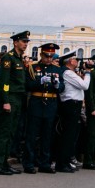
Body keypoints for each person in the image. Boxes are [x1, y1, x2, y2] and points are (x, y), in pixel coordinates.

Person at [0, 31, 31, 175]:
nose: (26, 44)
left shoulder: (19, 59)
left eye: (27, 42)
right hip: (10, 98)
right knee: (4, 133)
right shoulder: (9, 58)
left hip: (18, 99)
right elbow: (4, 82)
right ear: (15, 42)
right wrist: (6, 101)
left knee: (12, 133)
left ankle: (4, 163)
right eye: (23, 41)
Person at [23, 43, 62, 173]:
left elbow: (62, 88)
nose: (49, 58)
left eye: (51, 56)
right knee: (32, 135)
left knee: (47, 136)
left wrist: (57, 86)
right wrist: (39, 82)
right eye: (47, 56)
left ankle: (44, 163)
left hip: (50, 103)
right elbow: (27, 85)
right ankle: (28, 163)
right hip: (36, 103)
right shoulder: (32, 67)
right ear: (41, 55)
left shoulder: (57, 69)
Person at [55, 52, 87, 173]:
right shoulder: (67, 73)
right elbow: (84, 85)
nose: (77, 61)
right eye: (75, 59)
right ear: (70, 61)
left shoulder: (70, 73)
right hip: (70, 104)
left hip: (74, 104)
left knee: (71, 135)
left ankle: (66, 161)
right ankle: (62, 163)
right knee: (68, 135)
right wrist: (88, 73)